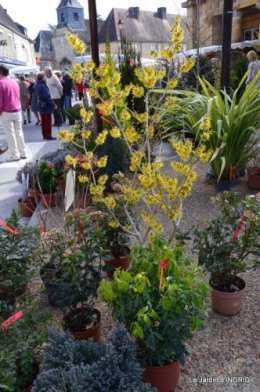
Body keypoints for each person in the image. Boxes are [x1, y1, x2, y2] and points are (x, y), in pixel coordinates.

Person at [0, 64, 27, 162]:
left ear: (1, 72)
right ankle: (23, 152)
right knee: (19, 132)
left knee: (10, 134)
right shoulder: (14, 82)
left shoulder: (1, 83)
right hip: (17, 109)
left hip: (7, 111)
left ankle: (15, 155)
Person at [34, 72, 57, 140]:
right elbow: (47, 97)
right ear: (42, 78)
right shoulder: (43, 86)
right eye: (45, 77)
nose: (46, 78)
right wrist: (53, 104)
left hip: (40, 105)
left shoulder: (37, 85)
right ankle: (48, 135)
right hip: (45, 105)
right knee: (48, 121)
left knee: (43, 121)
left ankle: (44, 134)